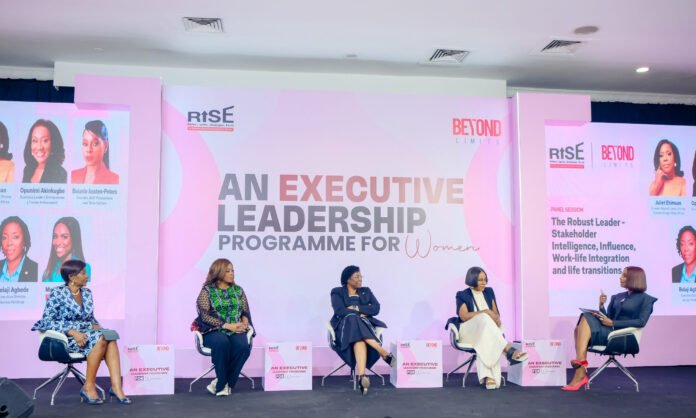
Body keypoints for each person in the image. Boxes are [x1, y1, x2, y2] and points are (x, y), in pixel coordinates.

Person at [31, 260, 131, 405]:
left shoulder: (87, 293)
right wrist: (72, 332)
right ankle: (88, 386)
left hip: (87, 335)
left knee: (109, 337)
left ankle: (116, 387)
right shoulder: (57, 293)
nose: (87, 276)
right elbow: (47, 321)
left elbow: (89, 318)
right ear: (71, 277)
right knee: (101, 338)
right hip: (65, 339)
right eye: (83, 273)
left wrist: (98, 326)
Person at [563, 266, 657, 391]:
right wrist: (601, 306)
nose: (620, 278)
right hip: (609, 332)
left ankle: (580, 370)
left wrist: (613, 322)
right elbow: (608, 317)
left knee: (585, 321)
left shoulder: (647, 300)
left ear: (634, 278)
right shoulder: (617, 296)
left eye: (624, 276)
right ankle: (580, 366)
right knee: (585, 318)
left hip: (623, 337)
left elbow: (641, 322)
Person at [454, 266, 527, 390]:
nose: (484, 283)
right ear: (472, 279)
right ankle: (508, 350)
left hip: (485, 332)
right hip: (469, 331)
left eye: (485, 279)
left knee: (486, 337)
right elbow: (464, 316)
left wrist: (496, 319)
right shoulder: (462, 295)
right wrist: (485, 312)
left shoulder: (489, 292)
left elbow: (496, 314)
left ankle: (488, 377)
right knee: (484, 318)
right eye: (480, 280)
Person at [330, 265, 395, 396]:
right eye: (356, 277)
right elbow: (340, 311)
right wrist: (361, 312)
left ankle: (362, 377)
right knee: (352, 318)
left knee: (358, 338)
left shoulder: (366, 291)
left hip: (364, 326)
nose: (360, 279)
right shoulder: (337, 292)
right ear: (348, 279)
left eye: (361, 276)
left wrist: (356, 308)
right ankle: (382, 352)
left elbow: (376, 308)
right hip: (344, 329)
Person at [193, 258, 252, 396]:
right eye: (227, 271)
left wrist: (244, 324)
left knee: (243, 347)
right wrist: (227, 325)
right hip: (213, 330)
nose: (231, 273)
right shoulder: (207, 291)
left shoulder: (238, 290)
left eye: (232, 270)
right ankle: (222, 386)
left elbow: (245, 311)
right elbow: (205, 316)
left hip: (235, 329)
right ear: (218, 272)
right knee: (222, 342)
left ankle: (222, 382)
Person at [71, 120, 119, 185]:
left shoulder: (115, 180)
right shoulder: (73, 175)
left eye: (95, 144)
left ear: (105, 146)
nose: (89, 150)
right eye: (85, 144)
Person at [42, 217, 90, 282]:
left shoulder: (83, 268)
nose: (57, 243)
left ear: (74, 239)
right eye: (55, 236)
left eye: (65, 237)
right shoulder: (47, 272)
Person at [22, 119, 67, 184]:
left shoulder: (61, 174)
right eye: (35, 141)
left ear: (54, 144)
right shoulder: (27, 170)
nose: (39, 147)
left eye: (45, 141)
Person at [0, 216, 37, 282]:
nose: (9, 243)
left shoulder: (35, 270)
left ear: (24, 240)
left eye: (15, 237)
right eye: (4, 238)